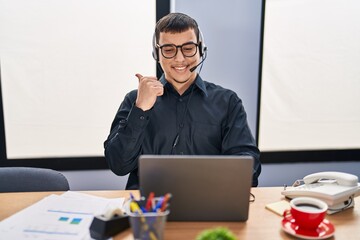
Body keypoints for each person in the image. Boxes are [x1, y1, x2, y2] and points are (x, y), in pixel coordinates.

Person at [104, 12, 261, 190]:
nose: (179, 59)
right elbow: (118, 165)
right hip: (150, 210)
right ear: (157, 53)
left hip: (208, 204)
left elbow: (249, 167)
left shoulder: (227, 102)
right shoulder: (135, 100)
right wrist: (140, 110)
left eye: (188, 48)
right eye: (169, 50)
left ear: (201, 50)